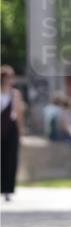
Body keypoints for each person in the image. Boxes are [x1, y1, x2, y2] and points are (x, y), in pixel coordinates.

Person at [1, 66, 25, 201]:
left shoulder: (15, 94)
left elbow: (19, 114)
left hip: (10, 130)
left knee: (10, 159)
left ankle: (7, 189)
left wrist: (20, 131)